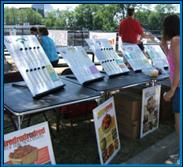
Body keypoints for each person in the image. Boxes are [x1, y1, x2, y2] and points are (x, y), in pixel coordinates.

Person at [161, 14, 180, 164]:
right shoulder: (176, 41)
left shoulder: (176, 40)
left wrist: (172, 89)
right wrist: (164, 48)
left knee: (179, 124)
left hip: (179, 87)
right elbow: (173, 62)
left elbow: (178, 68)